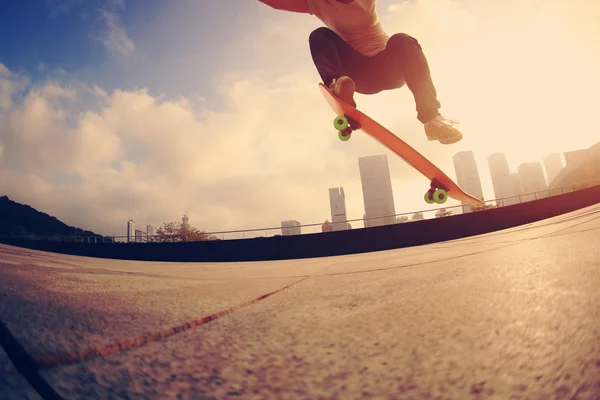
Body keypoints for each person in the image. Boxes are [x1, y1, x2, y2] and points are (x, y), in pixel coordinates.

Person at [257, 0, 462, 144]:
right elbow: (274, 1)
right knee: (319, 36)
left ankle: (432, 119)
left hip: (389, 67)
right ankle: (336, 86)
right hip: (358, 76)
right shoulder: (316, 3)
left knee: (403, 40)